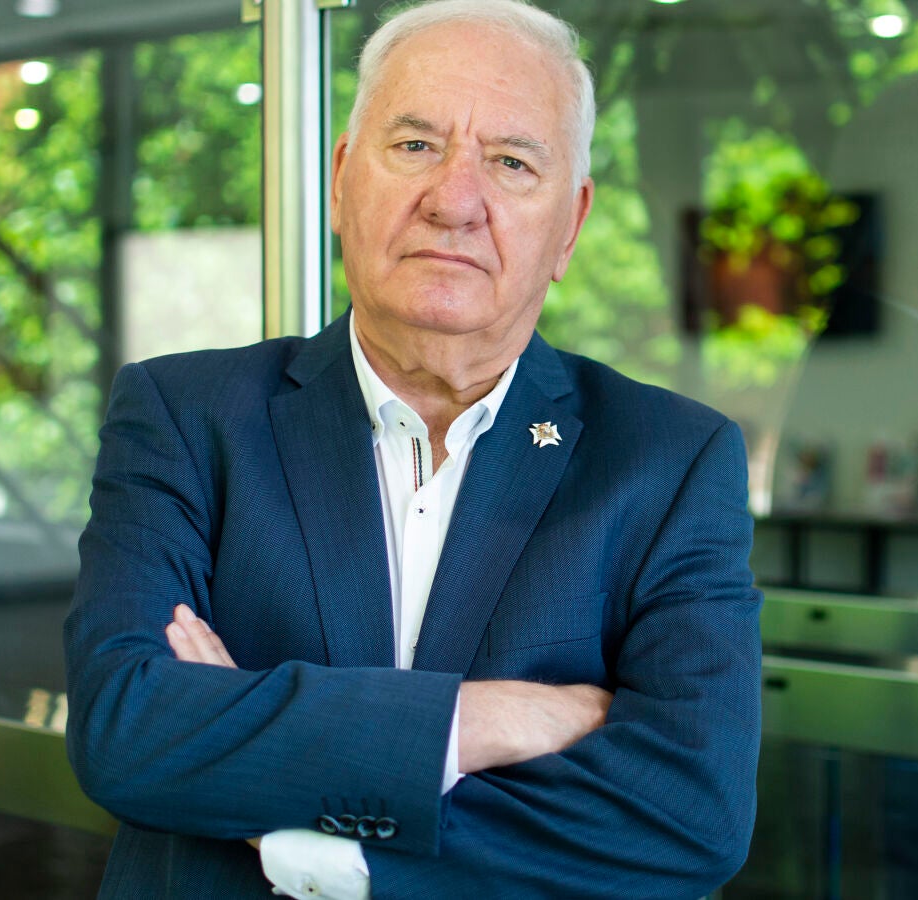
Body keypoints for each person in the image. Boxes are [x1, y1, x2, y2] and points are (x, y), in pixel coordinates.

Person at [63, 1, 761, 896]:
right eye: (416, 145)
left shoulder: (669, 460)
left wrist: (303, 832)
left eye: (511, 163)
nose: (454, 201)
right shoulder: (184, 415)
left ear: (570, 226)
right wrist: (484, 721)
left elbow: (689, 814)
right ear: (341, 179)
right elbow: (126, 732)